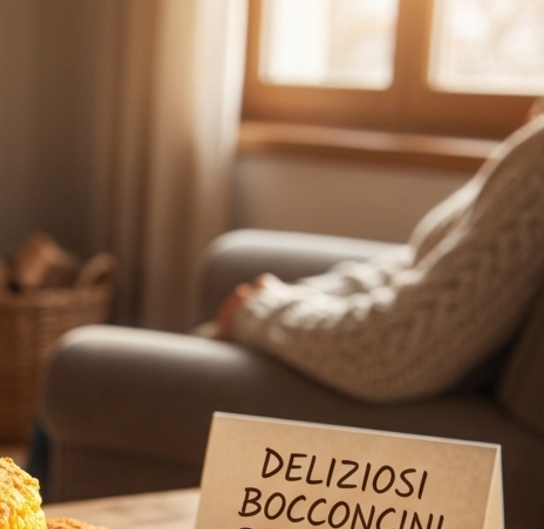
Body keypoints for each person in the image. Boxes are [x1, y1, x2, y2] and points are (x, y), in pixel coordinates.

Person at [214, 106, 544, 404]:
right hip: (359, 329)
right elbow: (419, 263)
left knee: (165, 371)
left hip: (405, 406)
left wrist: (258, 312)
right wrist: (306, 296)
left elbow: (397, 354)